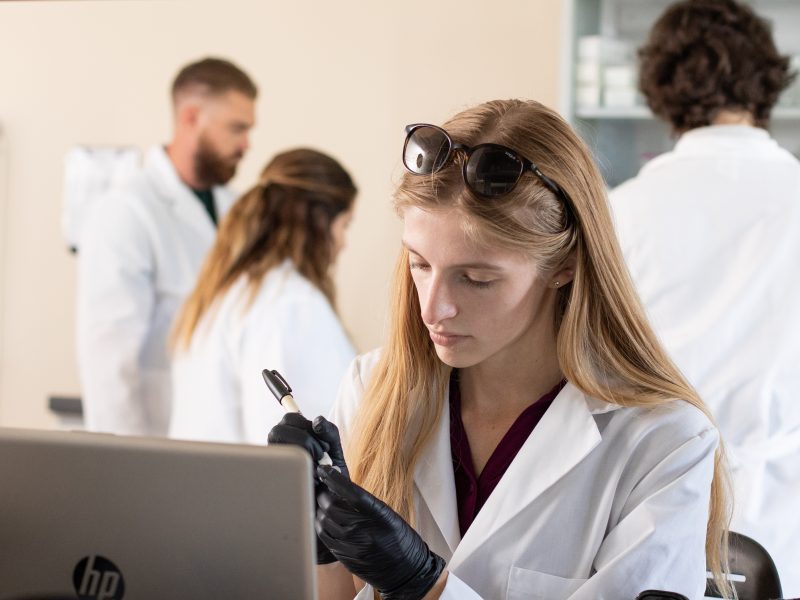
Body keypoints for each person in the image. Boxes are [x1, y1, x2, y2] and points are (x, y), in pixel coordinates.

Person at [269, 99, 732, 599]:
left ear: (565, 265)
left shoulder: (663, 442)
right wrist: (316, 538)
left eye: (476, 279)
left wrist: (427, 585)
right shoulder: (372, 388)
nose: (433, 309)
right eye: (420, 265)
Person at [610, 1, 800, 593]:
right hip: (786, 516)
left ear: (660, 89)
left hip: (655, 507)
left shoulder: (623, 211)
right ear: (768, 81)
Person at [76, 57, 257, 436]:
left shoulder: (237, 209)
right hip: (156, 441)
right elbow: (109, 365)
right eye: (236, 129)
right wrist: (125, 465)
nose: (246, 144)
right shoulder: (126, 212)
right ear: (191, 117)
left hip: (226, 439)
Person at [169, 148, 357, 444]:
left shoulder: (225, 293)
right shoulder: (293, 305)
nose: (344, 243)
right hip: (251, 487)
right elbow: (318, 441)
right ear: (320, 223)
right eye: (345, 225)